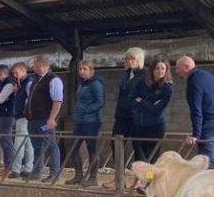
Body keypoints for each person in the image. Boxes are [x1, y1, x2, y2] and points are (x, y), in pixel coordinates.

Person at [103, 47, 145, 189]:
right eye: (127, 59)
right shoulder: (126, 75)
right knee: (116, 144)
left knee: (140, 148)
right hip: (122, 117)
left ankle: (142, 180)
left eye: (132, 58)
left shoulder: (145, 75)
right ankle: (119, 179)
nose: (129, 61)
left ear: (139, 59)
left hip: (137, 118)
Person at [175, 55, 214, 169]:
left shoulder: (193, 82)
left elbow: (196, 110)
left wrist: (195, 134)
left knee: (206, 158)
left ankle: (208, 185)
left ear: (186, 66)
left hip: (211, 121)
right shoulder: (206, 75)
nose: (177, 71)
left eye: (178, 68)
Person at [24, 54, 63, 183]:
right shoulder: (36, 80)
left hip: (45, 119)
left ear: (40, 65)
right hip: (33, 119)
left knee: (51, 145)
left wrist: (52, 118)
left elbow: (57, 101)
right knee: (37, 146)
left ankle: (54, 173)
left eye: (34, 65)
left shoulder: (53, 80)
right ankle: (37, 171)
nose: (32, 67)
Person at [65, 60, 104, 187]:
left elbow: (100, 102)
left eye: (85, 69)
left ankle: (93, 177)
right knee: (72, 146)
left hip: (92, 121)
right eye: (80, 69)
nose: (82, 71)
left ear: (91, 70)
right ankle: (79, 175)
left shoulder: (95, 83)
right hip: (81, 121)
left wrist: (85, 110)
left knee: (91, 148)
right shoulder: (83, 84)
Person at [130, 56, 173, 163]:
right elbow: (131, 99)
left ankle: (150, 179)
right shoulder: (141, 82)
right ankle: (139, 179)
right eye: (157, 68)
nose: (160, 71)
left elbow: (157, 110)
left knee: (152, 156)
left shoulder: (167, 88)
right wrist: (149, 105)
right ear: (152, 69)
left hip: (156, 126)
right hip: (139, 123)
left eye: (163, 69)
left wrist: (142, 101)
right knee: (140, 155)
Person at [8, 62, 35, 179]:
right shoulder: (22, 83)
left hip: (23, 117)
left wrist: (25, 111)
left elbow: (30, 99)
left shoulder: (27, 83)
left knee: (19, 143)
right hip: (27, 117)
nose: (14, 75)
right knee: (29, 144)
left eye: (16, 72)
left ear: (24, 71)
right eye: (13, 73)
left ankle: (16, 169)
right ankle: (28, 169)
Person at [0, 65, 17, 178]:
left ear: (1, 73)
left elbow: (0, 99)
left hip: (6, 115)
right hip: (3, 114)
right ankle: (8, 166)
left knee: (6, 141)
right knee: (4, 141)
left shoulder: (8, 83)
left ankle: (9, 167)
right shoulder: (5, 83)